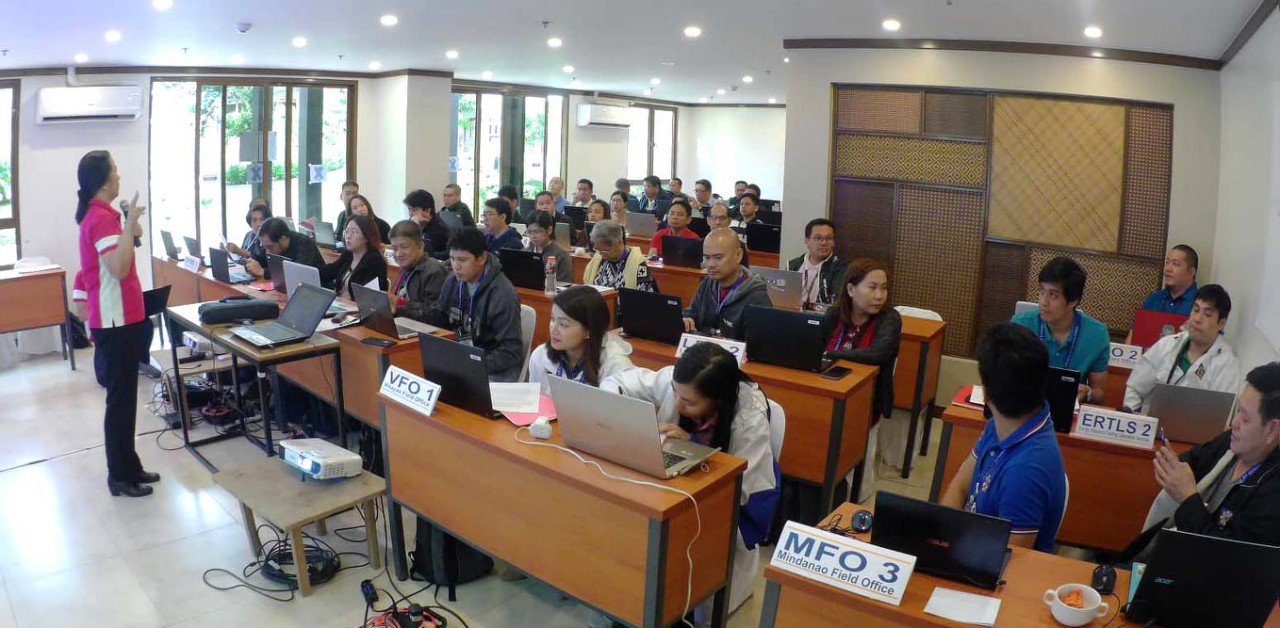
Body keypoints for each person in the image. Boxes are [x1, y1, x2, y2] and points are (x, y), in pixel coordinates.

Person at [602, 343, 779, 615]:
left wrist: (695, 446)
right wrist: (628, 417)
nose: (677, 404)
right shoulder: (680, 380)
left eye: (689, 402)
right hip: (671, 486)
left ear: (718, 399)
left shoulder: (749, 417)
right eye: (675, 394)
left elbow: (738, 488)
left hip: (727, 507)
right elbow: (615, 383)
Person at [1120, 362, 1280, 562]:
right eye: (1237, 411)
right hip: (1162, 550)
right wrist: (1172, 466)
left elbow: (1224, 559)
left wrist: (1188, 497)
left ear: (1272, 430)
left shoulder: (1273, 494)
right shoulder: (1232, 442)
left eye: (1245, 419)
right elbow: (1193, 460)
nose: (1233, 424)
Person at [74, 150, 159, 498]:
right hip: (115, 321)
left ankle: (130, 465)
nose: (120, 176)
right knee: (119, 401)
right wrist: (126, 225)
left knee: (126, 400)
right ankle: (119, 477)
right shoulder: (99, 219)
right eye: (116, 170)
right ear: (104, 180)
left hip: (126, 317)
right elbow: (119, 267)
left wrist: (130, 221)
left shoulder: (107, 214)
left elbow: (132, 240)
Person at [941, 323, 1067, 552]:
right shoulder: (999, 424)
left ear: (987, 393)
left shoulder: (1027, 470)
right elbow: (960, 486)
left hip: (996, 572)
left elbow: (1006, 561)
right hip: (967, 546)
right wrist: (940, 538)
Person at [1123, 284, 1243, 413]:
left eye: (1207, 314)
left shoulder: (1226, 364)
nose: (1197, 319)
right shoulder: (1167, 344)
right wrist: (1135, 420)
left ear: (1221, 323)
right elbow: (1135, 388)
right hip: (1149, 426)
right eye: (1195, 310)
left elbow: (1221, 415)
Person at [425, 227, 525, 382]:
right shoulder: (453, 280)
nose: (456, 266)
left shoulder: (503, 294)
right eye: (452, 258)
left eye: (462, 260)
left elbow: (510, 353)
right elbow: (439, 316)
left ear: (482, 258)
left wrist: (469, 364)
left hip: (493, 369)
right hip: (461, 358)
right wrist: (401, 309)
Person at [1012, 256, 1110, 404]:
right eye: (1042, 291)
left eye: (1053, 295)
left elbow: (1100, 393)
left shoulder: (1097, 335)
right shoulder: (1019, 326)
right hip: (1023, 408)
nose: (1043, 302)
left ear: (1073, 301)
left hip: (1066, 412)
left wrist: (1088, 393)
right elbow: (1002, 376)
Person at [821, 258, 902, 422]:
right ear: (851, 289)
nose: (879, 296)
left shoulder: (889, 318)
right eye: (872, 288)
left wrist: (831, 354)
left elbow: (877, 355)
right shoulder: (834, 314)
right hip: (826, 389)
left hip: (867, 400)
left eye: (884, 288)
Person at [527, 286, 635, 387]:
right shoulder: (540, 355)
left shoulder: (615, 365)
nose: (553, 329)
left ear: (589, 331)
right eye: (553, 319)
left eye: (563, 324)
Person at [683, 228, 771, 340]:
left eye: (718, 258)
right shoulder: (707, 283)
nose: (710, 264)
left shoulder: (757, 297)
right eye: (706, 257)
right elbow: (691, 313)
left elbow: (757, 345)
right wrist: (686, 319)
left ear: (738, 255)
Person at [386, 220, 448, 323]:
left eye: (404, 247)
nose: (398, 254)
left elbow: (435, 315)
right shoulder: (405, 269)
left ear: (420, 246)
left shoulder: (434, 271)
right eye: (394, 249)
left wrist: (399, 304)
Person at [321, 214, 388, 299]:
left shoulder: (375, 261)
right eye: (347, 231)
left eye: (354, 232)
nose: (348, 236)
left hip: (356, 308)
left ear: (366, 236)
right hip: (340, 303)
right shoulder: (348, 255)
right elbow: (328, 273)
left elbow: (367, 296)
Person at [584, 219, 658, 295]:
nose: (602, 255)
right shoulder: (598, 258)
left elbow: (643, 298)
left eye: (606, 251)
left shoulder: (638, 265)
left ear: (620, 242)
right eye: (598, 249)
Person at [789, 218, 846, 312]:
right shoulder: (793, 265)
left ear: (834, 242)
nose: (824, 243)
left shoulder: (841, 270)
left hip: (822, 320)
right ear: (807, 241)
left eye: (828, 238)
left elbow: (836, 305)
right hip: (792, 316)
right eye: (818, 238)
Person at [246, 217, 325, 279]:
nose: (267, 251)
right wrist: (250, 265)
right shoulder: (268, 243)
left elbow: (297, 273)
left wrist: (263, 272)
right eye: (264, 246)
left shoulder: (305, 243)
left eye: (269, 247)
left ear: (283, 238)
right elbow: (258, 260)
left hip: (315, 290)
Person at [1140, 244, 1199, 315]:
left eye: (1175, 264)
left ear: (1191, 272)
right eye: (1167, 263)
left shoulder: (1200, 305)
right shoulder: (1155, 298)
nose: (1168, 269)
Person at [524, 211, 573, 283]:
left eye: (537, 231)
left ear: (549, 230)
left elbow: (564, 285)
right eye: (529, 232)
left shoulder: (561, 255)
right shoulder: (525, 252)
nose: (533, 236)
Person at [404, 189, 450, 260]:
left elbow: (421, 253)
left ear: (427, 211)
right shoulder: (417, 223)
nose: (410, 213)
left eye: (414, 210)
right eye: (409, 209)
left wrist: (415, 226)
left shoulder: (439, 229)